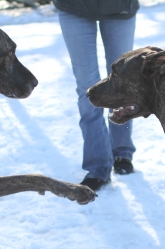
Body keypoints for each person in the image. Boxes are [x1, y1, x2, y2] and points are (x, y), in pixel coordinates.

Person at [53, 0, 139, 192]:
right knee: (88, 89)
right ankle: (98, 167)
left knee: (121, 83)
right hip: (74, 7)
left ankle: (122, 150)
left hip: (119, 6)